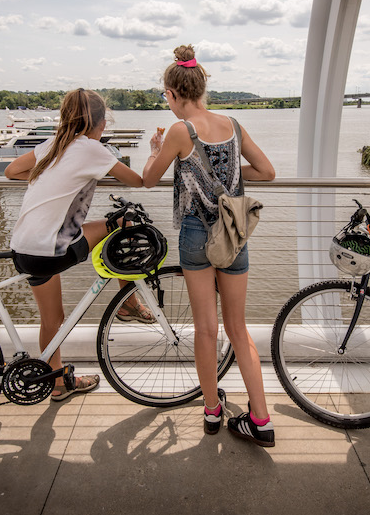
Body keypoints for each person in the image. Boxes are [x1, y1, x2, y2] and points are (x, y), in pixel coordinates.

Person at [142, 45, 277, 447]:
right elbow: (267, 172)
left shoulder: (179, 131)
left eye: (166, 96)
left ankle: (212, 410)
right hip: (233, 234)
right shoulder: (233, 124)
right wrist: (231, 176)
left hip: (196, 234)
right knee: (238, 329)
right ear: (202, 87)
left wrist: (155, 150)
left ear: (173, 93)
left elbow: (150, 178)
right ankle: (261, 419)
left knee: (205, 329)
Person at [5, 89, 149, 401]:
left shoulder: (52, 145)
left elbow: (11, 171)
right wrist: (155, 151)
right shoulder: (91, 149)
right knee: (125, 222)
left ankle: (56, 384)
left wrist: (54, 172)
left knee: (52, 320)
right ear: (100, 123)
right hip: (49, 251)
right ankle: (129, 302)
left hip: (24, 246)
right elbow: (137, 180)